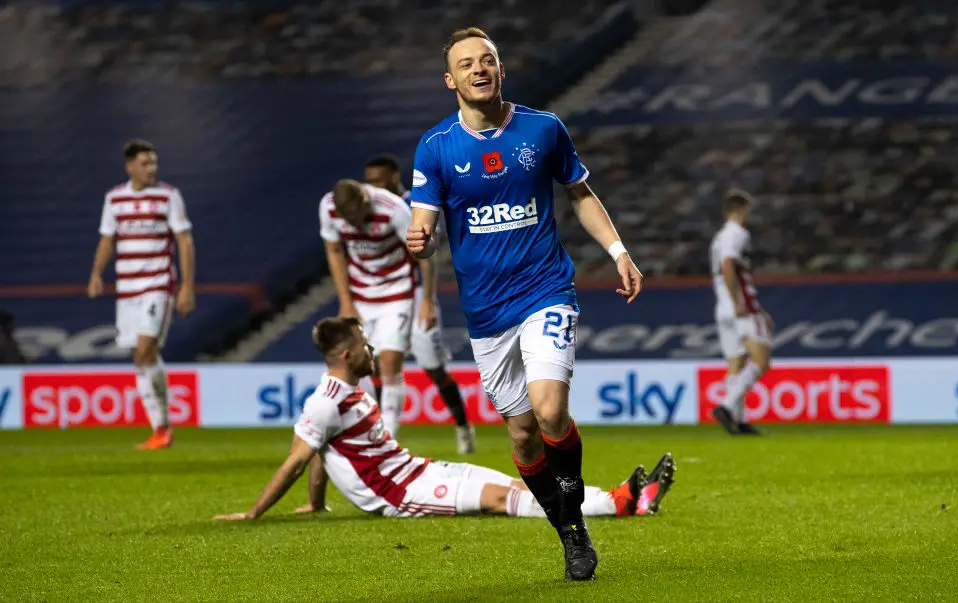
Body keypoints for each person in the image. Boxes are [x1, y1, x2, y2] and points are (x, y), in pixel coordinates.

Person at [404, 28, 644, 581]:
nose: (478, 69)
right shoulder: (436, 147)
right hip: (486, 313)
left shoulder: (543, 129)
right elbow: (425, 227)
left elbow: (580, 193)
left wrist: (618, 251)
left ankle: (573, 501)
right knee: (521, 434)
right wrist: (419, 240)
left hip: (545, 290)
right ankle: (569, 529)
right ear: (451, 80)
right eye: (466, 64)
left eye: (487, 59)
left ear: (501, 69)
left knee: (550, 409)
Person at [212, 317, 675, 526]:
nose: (374, 350)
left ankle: (620, 497)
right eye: (366, 344)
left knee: (523, 485)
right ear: (349, 355)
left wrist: (316, 504)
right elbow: (298, 460)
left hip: (419, 468)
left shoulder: (348, 393)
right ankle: (622, 502)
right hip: (401, 493)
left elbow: (319, 455)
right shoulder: (325, 400)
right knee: (501, 499)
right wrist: (254, 512)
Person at [88, 139, 195, 450]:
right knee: (140, 357)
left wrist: (186, 286)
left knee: (146, 348)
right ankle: (161, 428)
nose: (152, 169)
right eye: (145, 164)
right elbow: (107, 239)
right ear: (130, 166)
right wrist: (96, 273)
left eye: (154, 163)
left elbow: (184, 241)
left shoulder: (168, 196)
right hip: (127, 289)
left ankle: (163, 427)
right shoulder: (114, 198)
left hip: (158, 285)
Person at [365, 154, 476, 454]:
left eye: (378, 180)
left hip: (415, 296)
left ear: (392, 176)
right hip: (384, 300)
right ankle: (382, 432)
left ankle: (463, 425)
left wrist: (427, 301)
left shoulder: (414, 204)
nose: (373, 187)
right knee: (377, 365)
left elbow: (428, 256)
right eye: (369, 181)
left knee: (433, 368)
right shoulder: (369, 210)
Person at [320, 178, 425, 439]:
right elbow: (334, 251)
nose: (356, 226)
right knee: (359, 362)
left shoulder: (393, 209)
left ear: (365, 202)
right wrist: (345, 300)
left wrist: (428, 300)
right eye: (350, 221)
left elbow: (423, 254)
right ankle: (358, 427)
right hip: (360, 294)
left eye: (359, 218)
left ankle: (388, 437)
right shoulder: (328, 207)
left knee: (390, 362)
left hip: (396, 291)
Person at [709, 188, 773, 436]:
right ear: (740, 209)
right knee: (761, 360)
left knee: (737, 363)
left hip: (722, 307)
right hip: (738, 306)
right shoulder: (736, 234)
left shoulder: (719, 237)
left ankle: (739, 420)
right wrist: (738, 301)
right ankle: (726, 407)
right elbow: (728, 263)